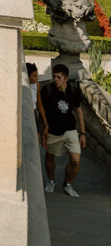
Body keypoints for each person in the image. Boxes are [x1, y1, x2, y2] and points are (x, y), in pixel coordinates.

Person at [38, 63, 87, 196]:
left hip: (70, 130)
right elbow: (40, 111)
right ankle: (51, 181)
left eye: (59, 77)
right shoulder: (47, 90)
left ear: (66, 78)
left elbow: (78, 111)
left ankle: (67, 184)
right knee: (50, 156)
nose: (56, 80)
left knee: (76, 161)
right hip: (53, 131)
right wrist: (42, 131)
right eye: (54, 76)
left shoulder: (73, 91)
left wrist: (82, 133)